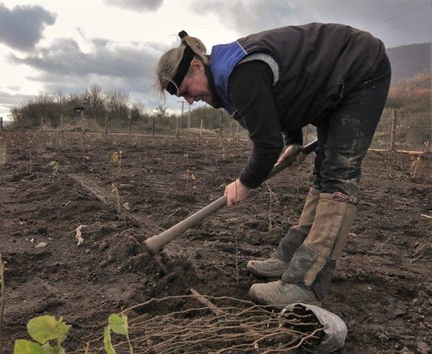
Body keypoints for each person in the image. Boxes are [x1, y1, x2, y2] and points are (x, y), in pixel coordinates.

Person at [154, 23, 391, 306]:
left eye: (187, 91)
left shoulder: (241, 74)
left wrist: (245, 182)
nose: (191, 101)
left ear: (196, 66)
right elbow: (283, 100)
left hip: (359, 70)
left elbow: (267, 146)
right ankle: (290, 258)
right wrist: (294, 140)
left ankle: (307, 281)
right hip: (332, 83)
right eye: (183, 98)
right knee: (324, 172)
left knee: (339, 174)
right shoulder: (227, 80)